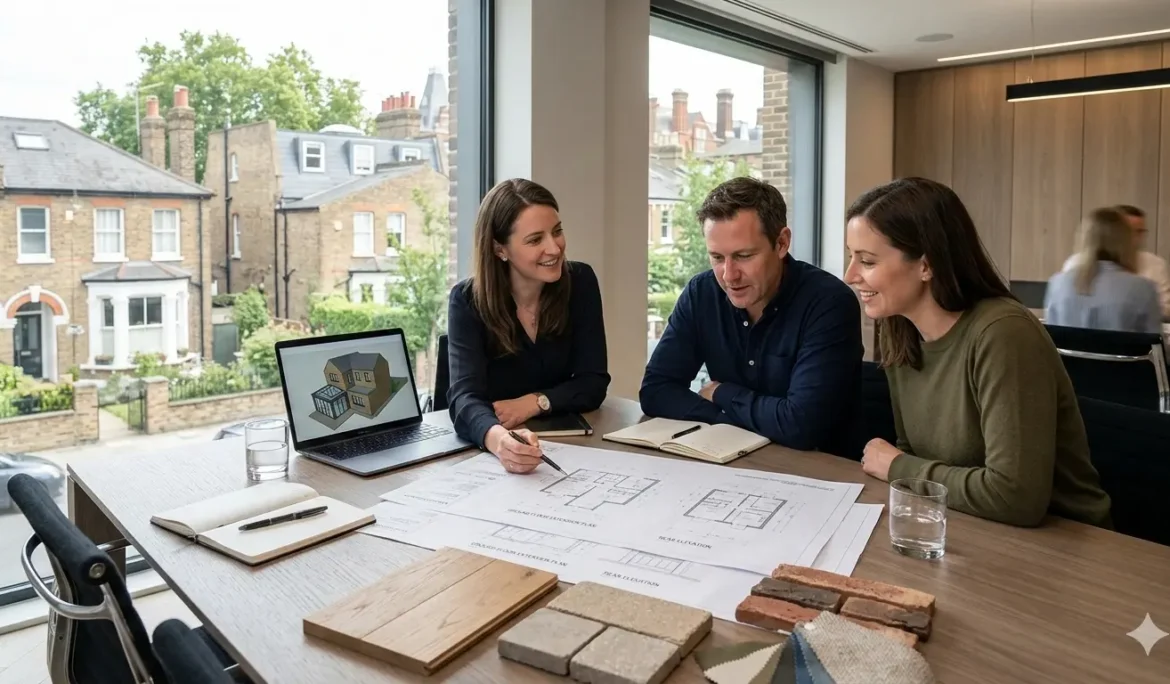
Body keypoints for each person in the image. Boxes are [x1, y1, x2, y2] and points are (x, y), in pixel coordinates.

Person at [844, 177, 1111, 528]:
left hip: (1069, 544)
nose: (850, 275)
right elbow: (917, 454)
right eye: (852, 258)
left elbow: (1015, 497)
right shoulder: (901, 328)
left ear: (926, 265)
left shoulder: (1003, 333)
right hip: (970, 525)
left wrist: (897, 468)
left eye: (866, 261)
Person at [639, 176, 864, 456]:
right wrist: (729, 420)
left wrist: (722, 394)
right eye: (717, 258)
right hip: (729, 459)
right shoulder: (702, 293)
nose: (729, 275)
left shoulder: (829, 303)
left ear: (781, 243)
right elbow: (656, 391)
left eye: (744, 256)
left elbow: (803, 426)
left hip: (817, 470)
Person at [447, 178, 610, 473]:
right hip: (495, 457)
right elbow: (464, 399)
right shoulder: (467, 300)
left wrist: (536, 402)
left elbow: (593, 382)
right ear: (500, 249)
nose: (554, 248)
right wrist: (500, 442)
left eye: (557, 232)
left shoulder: (581, 282)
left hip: (572, 450)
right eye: (535, 240)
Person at [1046, 207, 1162, 334]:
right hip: (1121, 352)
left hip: (1067, 354)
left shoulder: (1057, 283)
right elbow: (1155, 345)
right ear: (1126, 240)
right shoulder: (1143, 288)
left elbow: (1049, 341)